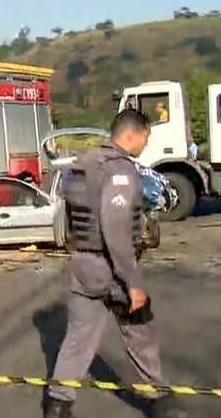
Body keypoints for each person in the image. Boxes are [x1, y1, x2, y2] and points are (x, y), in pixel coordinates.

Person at [44, 109, 184, 418]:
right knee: (140, 330)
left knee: (78, 337)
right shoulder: (119, 170)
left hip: (82, 263)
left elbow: (70, 217)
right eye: (145, 138)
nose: (145, 145)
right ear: (131, 135)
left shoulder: (81, 165)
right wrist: (133, 284)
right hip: (110, 267)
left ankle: (57, 403)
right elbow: (116, 230)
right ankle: (160, 399)